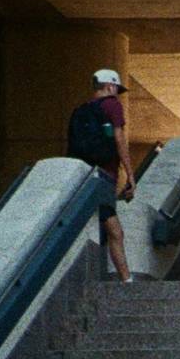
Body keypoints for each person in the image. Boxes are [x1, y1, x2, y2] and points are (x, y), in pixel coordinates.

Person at [66, 67, 133, 282]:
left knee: (99, 226)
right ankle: (127, 281)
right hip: (103, 178)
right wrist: (130, 174)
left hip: (84, 176)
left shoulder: (81, 111)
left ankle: (122, 279)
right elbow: (119, 138)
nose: (117, 92)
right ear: (111, 86)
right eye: (116, 88)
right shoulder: (112, 105)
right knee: (115, 231)